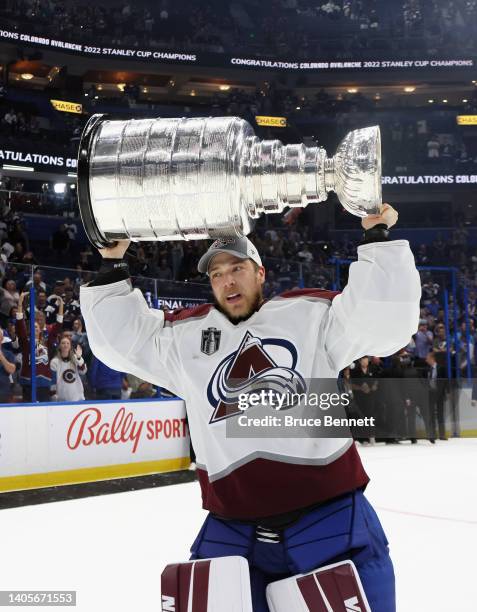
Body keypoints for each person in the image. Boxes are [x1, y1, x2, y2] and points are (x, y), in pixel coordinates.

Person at [80, 204, 421, 612]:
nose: (227, 281)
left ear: (260, 273)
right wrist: (113, 263)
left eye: (237, 268)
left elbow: (379, 322)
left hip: (328, 519)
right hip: (233, 530)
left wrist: (376, 237)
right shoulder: (186, 336)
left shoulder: (307, 314)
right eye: (216, 274)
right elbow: (122, 341)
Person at [16, 292, 63, 402]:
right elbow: (19, 326)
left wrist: (61, 307)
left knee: (42, 412)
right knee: (28, 413)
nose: (35, 328)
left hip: (43, 383)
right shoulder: (25, 342)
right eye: (33, 326)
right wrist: (19, 304)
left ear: (41, 329)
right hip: (28, 381)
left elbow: (58, 328)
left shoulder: (47, 342)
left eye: (37, 327)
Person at [50, 336, 87, 402]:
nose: (65, 345)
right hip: (62, 397)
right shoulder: (55, 361)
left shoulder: (76, 358)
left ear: (70, 346)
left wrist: (79, 358)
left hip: (77, 397)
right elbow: (53, 380)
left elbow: (83, 371)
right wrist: (53, 395)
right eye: (63, 343)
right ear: (59, 346)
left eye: (67, 343)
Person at [424, 351, 448, 441]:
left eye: (427, 358)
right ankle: (433, 434)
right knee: (431, 415)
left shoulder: (441, 368)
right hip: (431, 394)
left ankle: (442, 435)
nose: (426, 360)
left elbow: (445, 381)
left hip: (440, 394)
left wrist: (446, 392)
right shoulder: (428, 369)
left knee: (440, 414)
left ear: (432, 359)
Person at [0, 328, 16, 403]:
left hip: (3, 392)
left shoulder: (8, 354)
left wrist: (2, 357)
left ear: (1, 338)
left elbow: (12, 370)